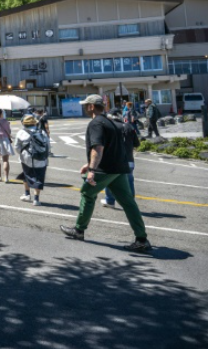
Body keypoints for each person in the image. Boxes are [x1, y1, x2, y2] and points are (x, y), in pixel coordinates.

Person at [60, 94, 152, 252]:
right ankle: (142, 238)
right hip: (119, 169)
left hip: (104, 170)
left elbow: (98, 148)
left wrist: (92, 169)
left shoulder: (96, 123)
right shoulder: (113, 123)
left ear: (91, 107)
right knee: (128, 203)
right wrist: (88, 163)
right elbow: (113, 148)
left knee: (87, 194)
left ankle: (79, 230)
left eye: (85, 105)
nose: (84, 108)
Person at [101, 109, 140, 208]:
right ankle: (130, 203)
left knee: (109, 180)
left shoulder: (108, 127)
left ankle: (110, 201)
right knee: (129, 180)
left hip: (114, 160)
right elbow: (136, 143)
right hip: (129, 160)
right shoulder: (129, 127)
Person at [14, 114, 50, 206]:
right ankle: (36, 200)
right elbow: (48, 146)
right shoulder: (42, 132)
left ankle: (27, 194)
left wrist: (23, 154)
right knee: (39, 178)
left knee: (26, 175)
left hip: (27, 159)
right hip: (41, 159)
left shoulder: (21, 132)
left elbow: (17, 147)